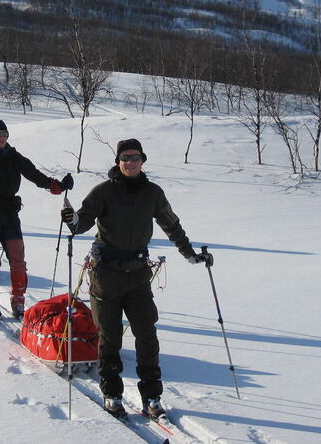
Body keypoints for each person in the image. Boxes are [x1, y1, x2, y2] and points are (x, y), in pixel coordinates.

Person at [60, 138, 213, 420]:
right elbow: (81, 223)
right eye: (125, 158)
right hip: (106, 273)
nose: (130, 162)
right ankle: (112, 394)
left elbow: (171, 224)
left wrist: (190, 254)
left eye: (135, 157)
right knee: (110, 337)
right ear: (118, 162)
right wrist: (70, 220)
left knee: (147, 334)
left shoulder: (152, 193)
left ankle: (152, 396)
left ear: (143, 160)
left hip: (138, 273)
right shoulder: (103, 191)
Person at [0, 120, 74, 318]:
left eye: (5, 135)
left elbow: (34, 174)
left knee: (18, 259)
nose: (2, 138)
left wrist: (58, 186)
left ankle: (18, 300)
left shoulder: (14, 157)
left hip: (9, 212)